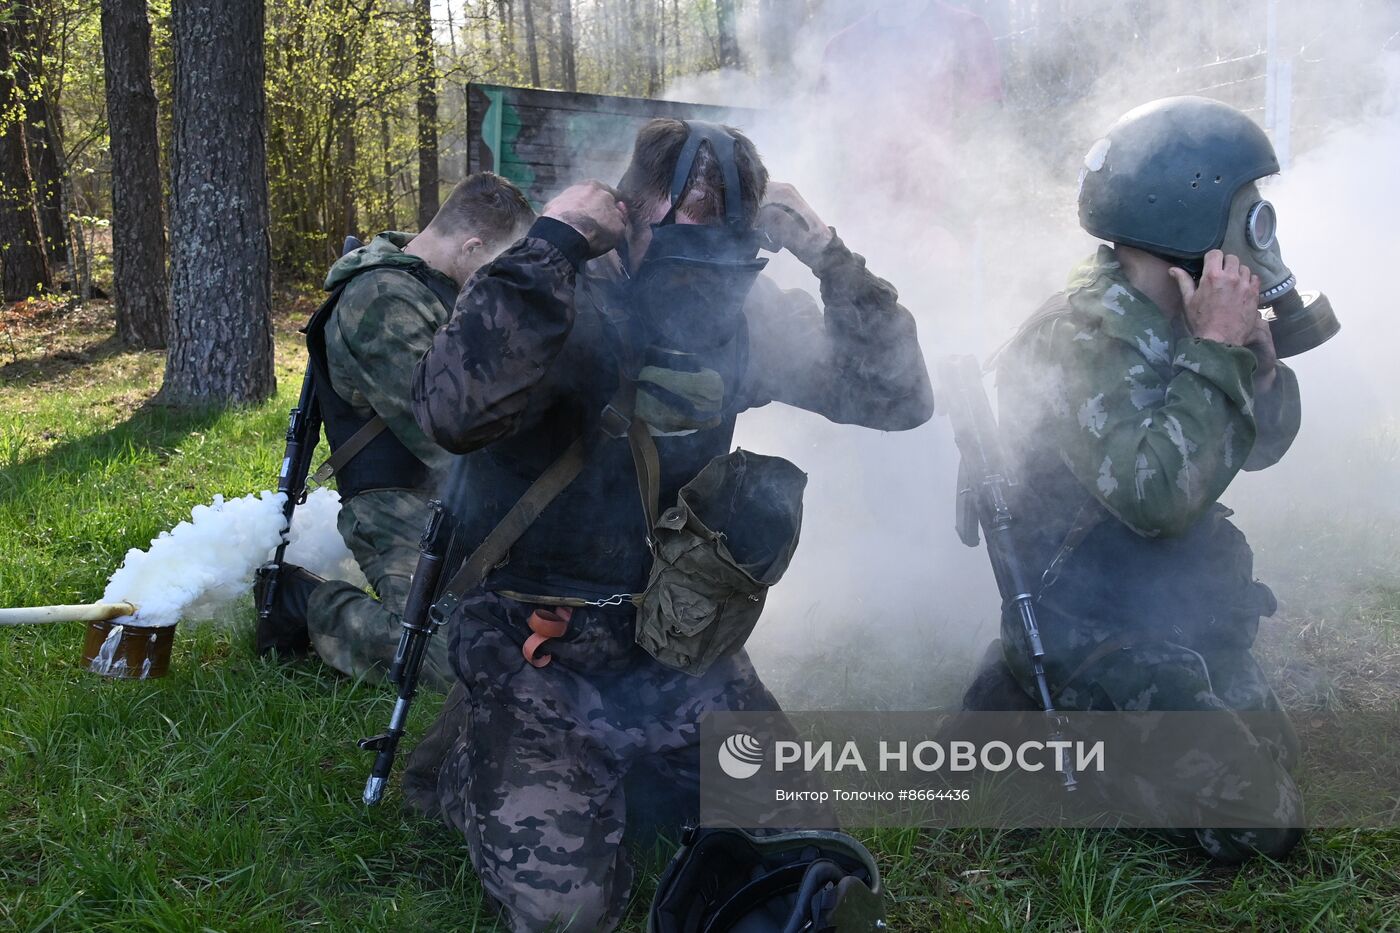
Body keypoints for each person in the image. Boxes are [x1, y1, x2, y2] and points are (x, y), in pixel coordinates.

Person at [404, 119, 934, 931]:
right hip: (535, 646)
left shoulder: (745, 312)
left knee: (811, 858)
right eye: (688, 232)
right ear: (629, 210)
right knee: (567, 914)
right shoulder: (553, 293)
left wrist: (828, 253)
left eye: (729, 245)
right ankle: (476, 752)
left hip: (678, 648)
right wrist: (549, 242)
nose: (705, 281)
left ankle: (635, 775)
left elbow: (899, 399)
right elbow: (449, 410)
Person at [964, 96, 1317, 863]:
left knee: (1284, 761)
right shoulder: (1080, 338)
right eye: (1242, 210)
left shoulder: (1183, 317)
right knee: (1262, 824)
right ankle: (1037, 717)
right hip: (1092, 627)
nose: (1257, 227)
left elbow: (1263, 449)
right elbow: (1155, 499)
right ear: (1191, 217)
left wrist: (1253, 364)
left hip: (1174, 606)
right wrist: (1216, 354)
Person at [257, 173, 535, 692]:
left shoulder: (436, 285)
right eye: (498, 264)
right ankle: (308, 602)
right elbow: (441, 432)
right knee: (449, 659)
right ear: (472, 245)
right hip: (400, 500)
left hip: (462, 492)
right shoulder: (381, 299)